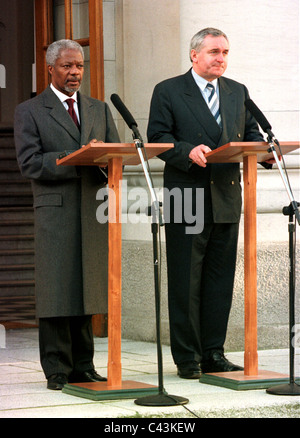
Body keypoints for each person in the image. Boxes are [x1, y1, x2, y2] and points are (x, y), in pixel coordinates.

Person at [147, 28, 274, 379]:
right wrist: (186, 150)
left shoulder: (237, 92)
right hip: (184, 195)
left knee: (219, 280)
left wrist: (264, 153)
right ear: (194, 55)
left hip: (226, 195)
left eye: (226, 52)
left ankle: (213, 353)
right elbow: (157, 138)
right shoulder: (169, 90)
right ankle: (188, 358)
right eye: (215, 51)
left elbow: (250, 135)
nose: (221, 58)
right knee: (186, 281)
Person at [14, 39, 120, 390]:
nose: (75, 72)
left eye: (79, 66)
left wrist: (105, 160)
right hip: (55, 211)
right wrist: (73, 156)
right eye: (67, 66)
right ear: (50, 69)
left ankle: (84, 366)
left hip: (92, 211)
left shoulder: (99, 109)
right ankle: (57, 368)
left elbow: (114, 154)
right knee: (57, 288)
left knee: (87, 288)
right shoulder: (30, 110)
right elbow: (29, 162)